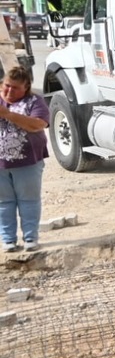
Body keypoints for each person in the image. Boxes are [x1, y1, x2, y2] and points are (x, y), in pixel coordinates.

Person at [0, 66, 49, 253]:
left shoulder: (35, 101)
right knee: (3, 203)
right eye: (6, 86)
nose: (9, 91)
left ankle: (30, 238)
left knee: (28, 200)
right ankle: (8, 241)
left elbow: (38, 125)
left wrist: (8, 115)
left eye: (15, 88)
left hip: (28, 161)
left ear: (26, 87)